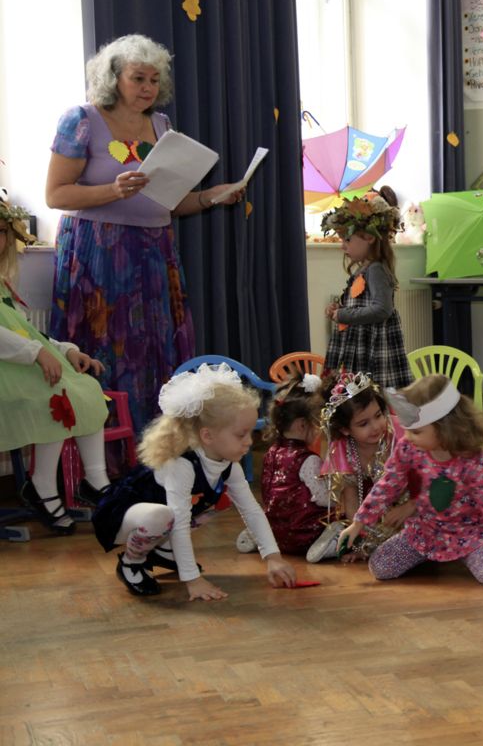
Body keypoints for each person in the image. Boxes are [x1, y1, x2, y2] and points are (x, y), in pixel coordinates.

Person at [45, 34, 245, 431]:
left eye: (154, 80)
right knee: (106, 349)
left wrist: (210, 197)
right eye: (138, 78)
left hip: (154, 252)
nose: (148, 88)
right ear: (113, 78)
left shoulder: (161, 125)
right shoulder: (81, 120)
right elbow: (55, 195)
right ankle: (108, 452)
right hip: (98, 254)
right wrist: (113, 190)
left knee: (154, 351)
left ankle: (155, 445)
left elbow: (169, 202)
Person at [90, 363, 296, 598]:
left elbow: (252, 511)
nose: (249, 441)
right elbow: (178, 523)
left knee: (220, 499)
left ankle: (163, 550)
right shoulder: (182, 465)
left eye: (251, 433)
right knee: (163, 515)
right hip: (121, 515)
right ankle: (131, 561)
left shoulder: (228, 465)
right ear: (207, 435)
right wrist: (193, 579)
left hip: (162, 521)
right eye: (241, 434)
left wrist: (273, 557)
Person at [337, 374, 483, 585]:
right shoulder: (409, 448)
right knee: (379, 567)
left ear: (445, 427)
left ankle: (461, 554)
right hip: (423, 532)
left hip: (470, 534)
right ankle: (432, 555)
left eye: (416, 432)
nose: (408, 437)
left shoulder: (474, 462)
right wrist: (359, 523)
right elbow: (387, 485)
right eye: (408, 431)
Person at [0, 196, 111, 534]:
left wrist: (66, 350)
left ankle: (96, 481)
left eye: (2, 232)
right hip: (7, 372)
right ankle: (43, 486)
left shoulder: (4, 284)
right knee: (53, 396)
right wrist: (37, 353)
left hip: (18, 364)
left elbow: (29, 331)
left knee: (87, 388)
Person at [306, 371, 411, 563]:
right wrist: (360, 540)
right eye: (364, 424)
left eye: (378, 415)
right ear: (345, 430)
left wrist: (408, 507)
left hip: (416, 503)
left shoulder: (401, 435)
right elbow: (351, 497)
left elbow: (429, 479)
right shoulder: (343, 448)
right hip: (377, 509)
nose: (376, 426)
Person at [322, 188, 413, 388]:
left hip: (373, 350)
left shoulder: (376, 269)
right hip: (361, 346)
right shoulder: (364, 269)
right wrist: (338, 308)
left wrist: (344, 315)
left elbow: (382, 309)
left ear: (369, 237)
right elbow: (360, 302)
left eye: (347, 239)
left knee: (374, 392)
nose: (343, 246)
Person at [237, 372, 327, 556]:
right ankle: (323, 547)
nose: (319, 430)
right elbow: (323, 498)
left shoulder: (271, 452)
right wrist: (338, 493)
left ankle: (258, 534)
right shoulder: (308, 459)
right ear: (302, 425)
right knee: (339, 520)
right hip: (303, 534)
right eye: (317, 423)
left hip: (275, 533)